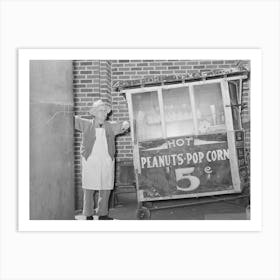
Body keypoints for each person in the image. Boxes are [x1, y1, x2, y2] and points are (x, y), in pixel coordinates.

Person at [74, 100, 130, 220]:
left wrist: (126, 123)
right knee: (88, 188)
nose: (105, 113)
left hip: (106, 160)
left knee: (105, 188)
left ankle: (102, 214)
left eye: (106, 111)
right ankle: (88, 214)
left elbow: (123, 125)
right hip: (91, 160)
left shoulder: (110, 126)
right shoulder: (86, 124)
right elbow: (73, 120)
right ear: (94, 112)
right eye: (101, 110)